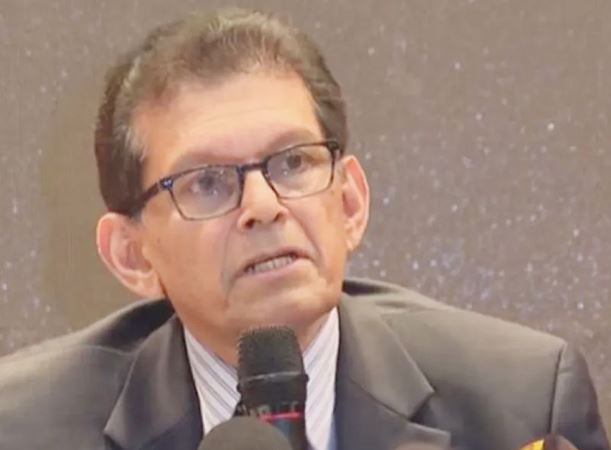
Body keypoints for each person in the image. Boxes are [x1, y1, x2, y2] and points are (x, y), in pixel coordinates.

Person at [0, 7, 608, 450]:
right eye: (207, 182)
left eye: (293, 163)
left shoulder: (520, 407)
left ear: (350, 204)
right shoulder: (24, 430)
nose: (263, 206)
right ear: (132, 255)